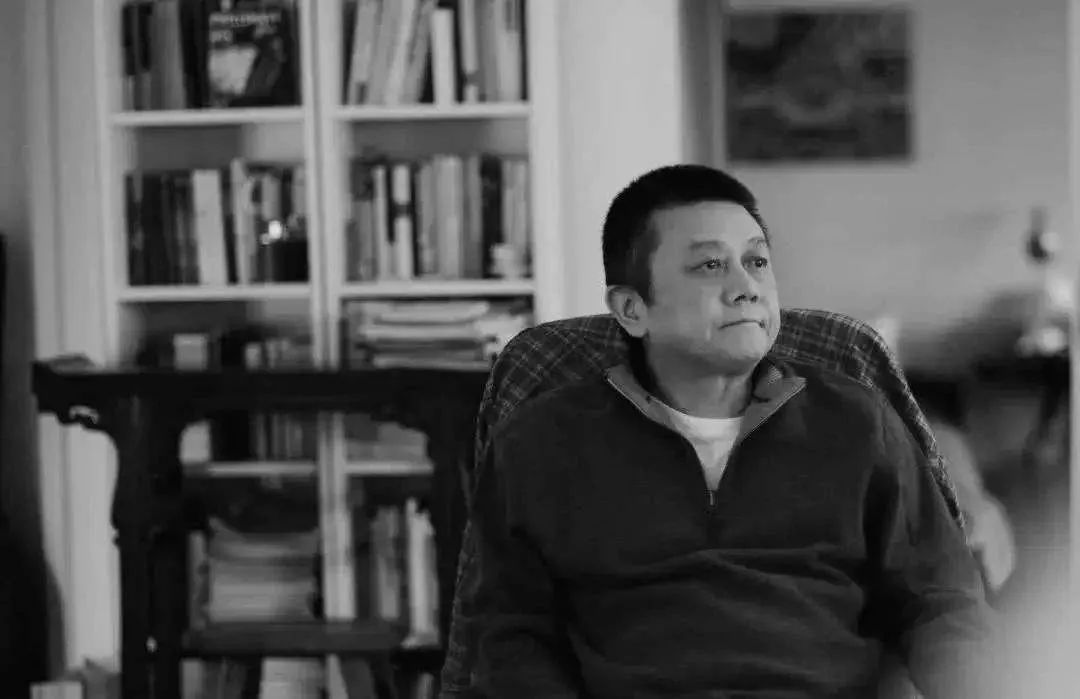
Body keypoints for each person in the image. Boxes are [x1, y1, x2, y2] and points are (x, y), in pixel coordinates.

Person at [460, 164, 996, 697]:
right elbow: (511, 635)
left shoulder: (858, 420)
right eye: (710, 265)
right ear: (632, 309)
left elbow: (942, 605)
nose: (746, 287)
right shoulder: (540, 442)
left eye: (757, 261)